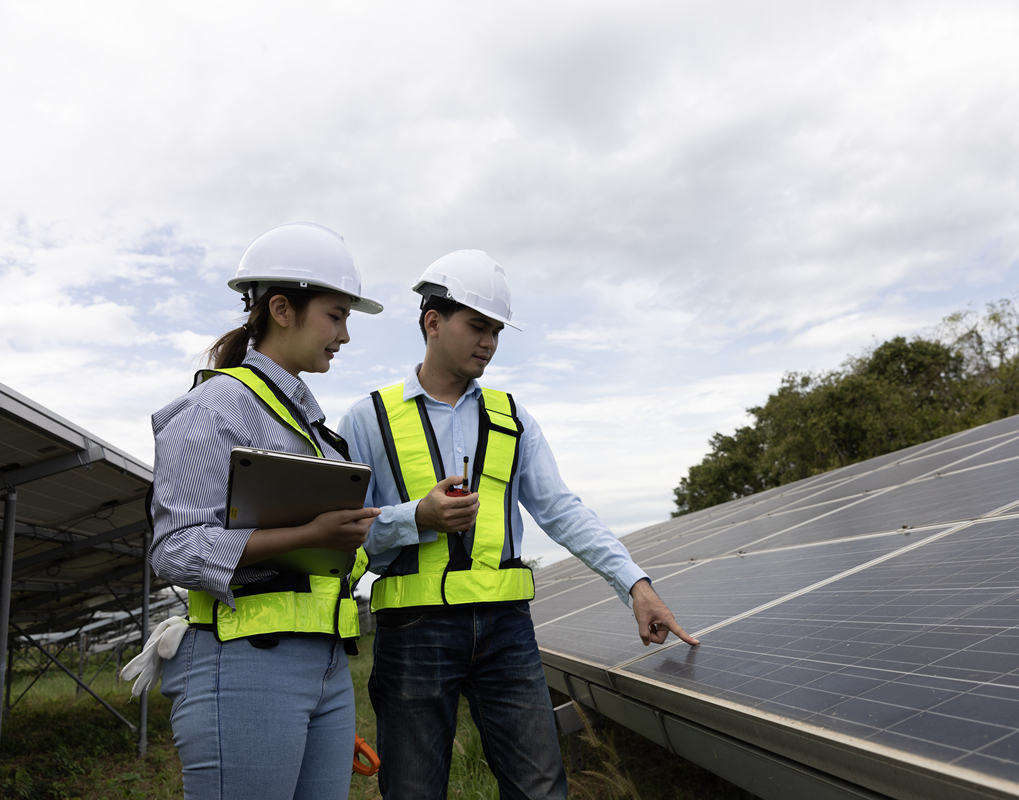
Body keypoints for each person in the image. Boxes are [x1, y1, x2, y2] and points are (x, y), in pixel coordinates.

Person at [338, 249, 699, 800]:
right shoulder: (368, 419)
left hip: (507, 631)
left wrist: (636, 584)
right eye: (477, 326)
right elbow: (346, 532)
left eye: (497, 331)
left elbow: (561, 509)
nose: (489, 342)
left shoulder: (510, 416)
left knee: (540, 789)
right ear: (432, 322)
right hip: (413, 633)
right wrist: (418, 517)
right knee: (413, 791)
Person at [144, 222, 383, 800]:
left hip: (323, 665)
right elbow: (174, 549)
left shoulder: (314, 429)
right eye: (336, 315)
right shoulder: (217, 405)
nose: (345, 335)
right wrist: (310, 532)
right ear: (281, 308)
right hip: (244, 667)